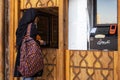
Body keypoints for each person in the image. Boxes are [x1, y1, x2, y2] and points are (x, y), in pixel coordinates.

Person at [14, 8, 45, 80]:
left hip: (22, 56)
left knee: (24, 75)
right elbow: (32, 41)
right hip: (29, 55)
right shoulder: (32, 26)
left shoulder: (22, 26)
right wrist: (40, 42)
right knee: (29, 75)